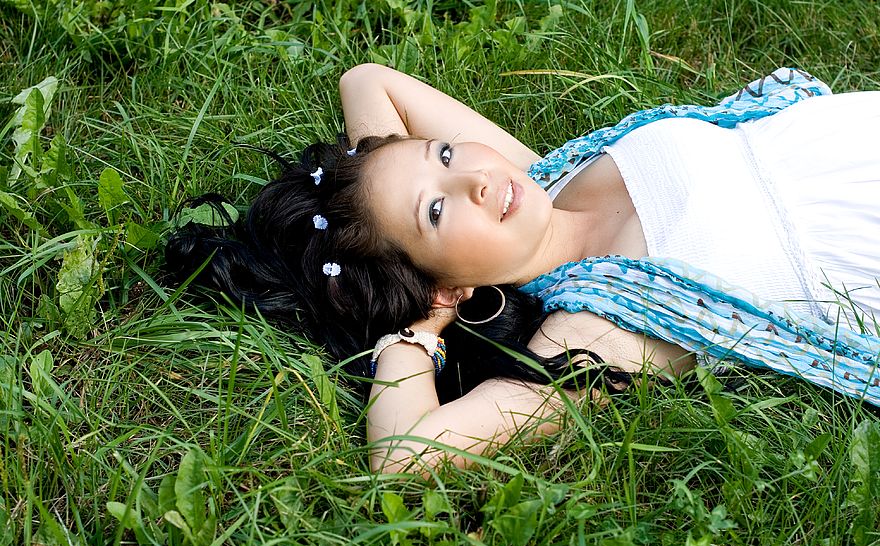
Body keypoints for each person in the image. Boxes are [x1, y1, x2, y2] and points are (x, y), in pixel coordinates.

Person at [165, 63, 880, 476]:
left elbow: (368, 82)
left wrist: (377, 199)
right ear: (448, 284)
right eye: (439, 215)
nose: (473, 179)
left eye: (443, 155)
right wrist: (415, 324)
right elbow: (404, 454)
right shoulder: (597, 332)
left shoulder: (548, 175)